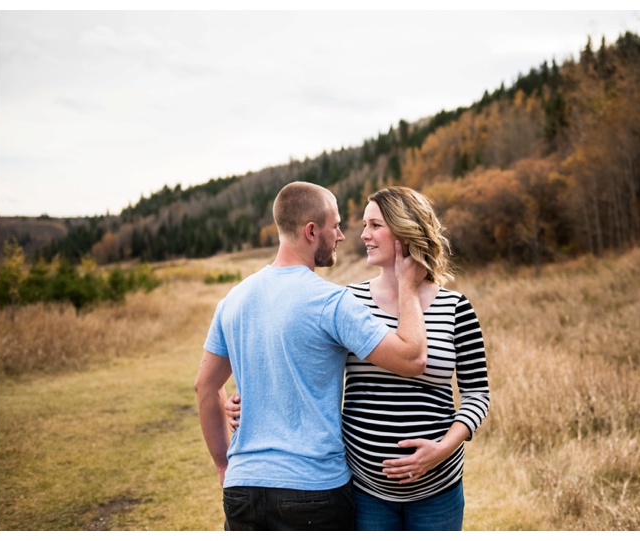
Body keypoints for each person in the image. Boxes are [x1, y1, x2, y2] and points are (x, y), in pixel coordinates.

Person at [227, 186, 490, 531]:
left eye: (375, 225)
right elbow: (305, 367)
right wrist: (255, 402)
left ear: (405, 229)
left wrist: (442, 449)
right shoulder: (348, 301)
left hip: (438, 488)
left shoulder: (456, 308)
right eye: (364, 224)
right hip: (366, 489)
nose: (363, 235)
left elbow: (477, 394)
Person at [195, 181, 429, 531]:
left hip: (242, 486)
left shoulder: (234, 299)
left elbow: (205, 386)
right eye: (335, 226)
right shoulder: (330, 303)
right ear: (311, 231)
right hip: (314, 489)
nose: (340, 236)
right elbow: (411, 359)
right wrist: (409, 287)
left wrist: (223, 465)